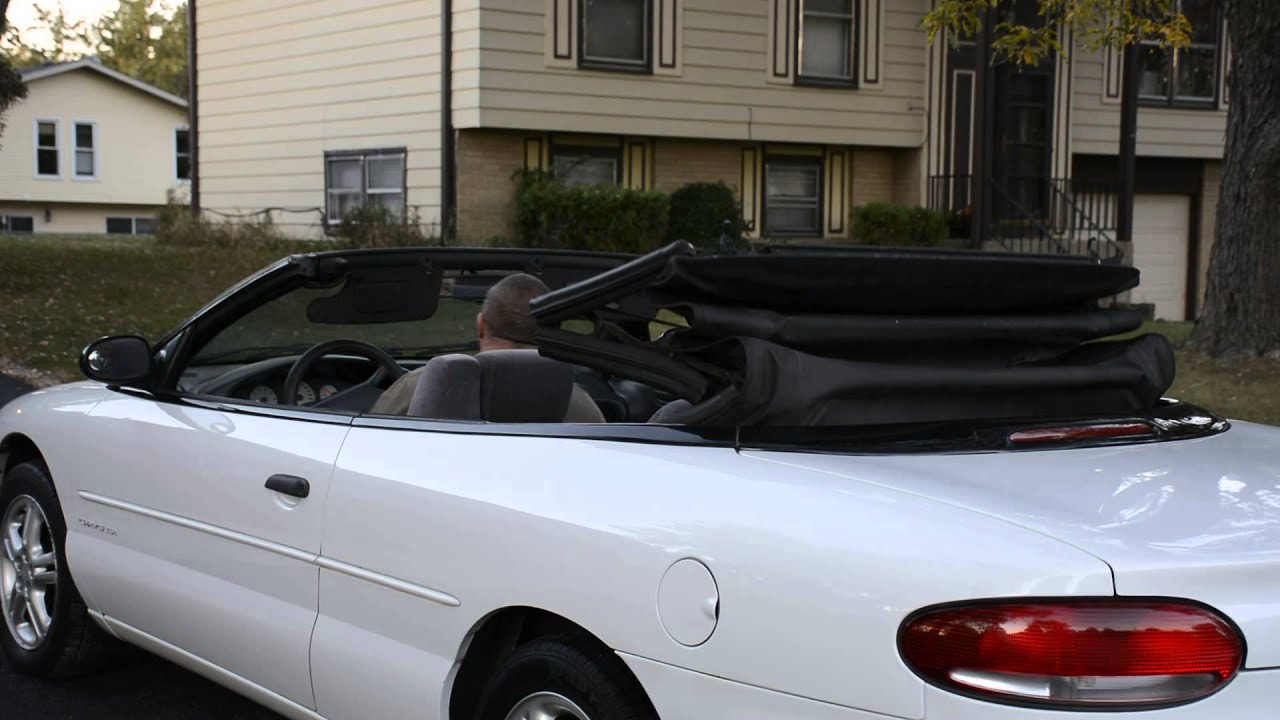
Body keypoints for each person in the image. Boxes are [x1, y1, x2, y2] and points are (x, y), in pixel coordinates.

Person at [370, 273, 602, 421]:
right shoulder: (581, 408)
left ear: (481, 325)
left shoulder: (426, 386)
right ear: (549, 335)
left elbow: (367, 445)